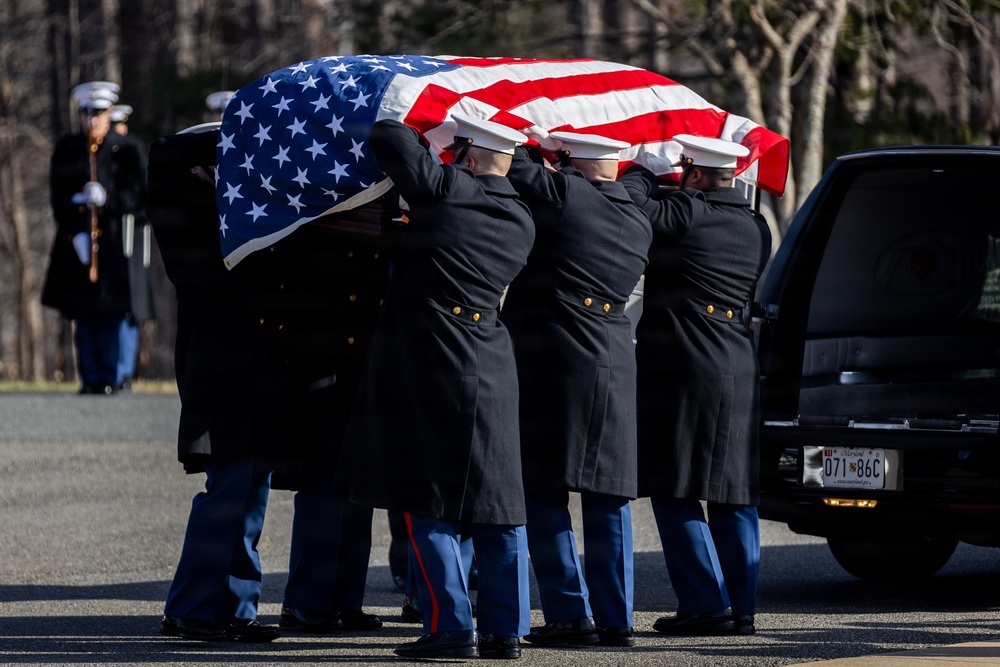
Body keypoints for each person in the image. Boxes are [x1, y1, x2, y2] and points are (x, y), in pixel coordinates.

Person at [147, 122, 389, 643]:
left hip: (265, 374)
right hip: (224, 373)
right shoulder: (197, 216)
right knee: (232, 491)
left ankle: (229, 607)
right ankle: (197, 608)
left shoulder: (255, 212)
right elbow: (167, 154)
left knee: (248, 491)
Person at [339, 116, 535, 660]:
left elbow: (386, 134)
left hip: (434, 364)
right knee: (499, 503)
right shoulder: (522, 217)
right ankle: (507, 629)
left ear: (467, 155)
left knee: (428, 501)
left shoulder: (448, 192)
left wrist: (437, 134)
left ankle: (450, 624)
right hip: (492, 363)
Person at [500, 132, 651, 648]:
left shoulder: (568, 196)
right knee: (609, 497)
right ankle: (617, 618)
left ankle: (569, 613)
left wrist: (532, 135)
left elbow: (514, 165)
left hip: (557, 363)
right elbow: (640, 179)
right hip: (613, 358)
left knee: (544, 492)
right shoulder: (636, 213)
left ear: (571, 165)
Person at [619, 134, 772, 637]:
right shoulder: (756, 225)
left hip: (688, 367)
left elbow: (632, 202)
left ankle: (706, 605)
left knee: (674, 486)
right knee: (734, 493)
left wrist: (644, 167)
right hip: (738, 364)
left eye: (686, 172)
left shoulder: (689, 213)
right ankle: (741, 609)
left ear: (698, 175)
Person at [42, 81, 148, 396]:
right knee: (83, 312)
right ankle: (89, 377)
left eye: (98, 112)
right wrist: (75, 223)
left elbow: (140, 195)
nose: (91, 119)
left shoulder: (128, 148)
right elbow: (57, 195)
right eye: (86, 113)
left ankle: (113, 376)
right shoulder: (67, 148)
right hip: (78, 243)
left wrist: (109, 198)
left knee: (114, 312)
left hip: (115, 243)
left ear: (109, 112)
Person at [108, 103, 156, 391]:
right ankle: (115, 371)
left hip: (133, 236)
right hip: (115, 237)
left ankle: (122, 370)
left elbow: (141, 193)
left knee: (130, 306)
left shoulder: (131, 149)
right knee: (116, 306)